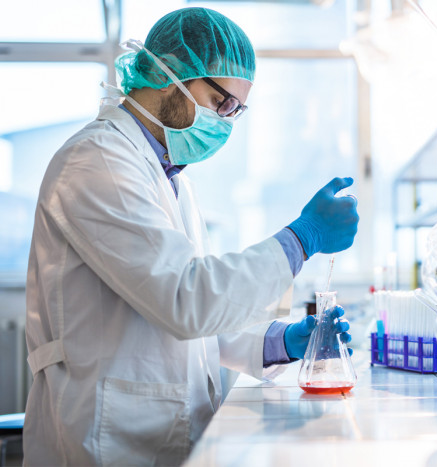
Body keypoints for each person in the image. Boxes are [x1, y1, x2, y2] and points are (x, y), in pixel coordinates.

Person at [23, 7, 359, 466]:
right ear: (170, 74)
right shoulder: (98, 161)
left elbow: (193, 319)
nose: (226, 122)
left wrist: (278, 342)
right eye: (222, 103)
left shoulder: (168, 177)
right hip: (107, 439)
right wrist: (303, 238)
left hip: (162, 432)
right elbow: (186, 300)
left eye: (237, 112)